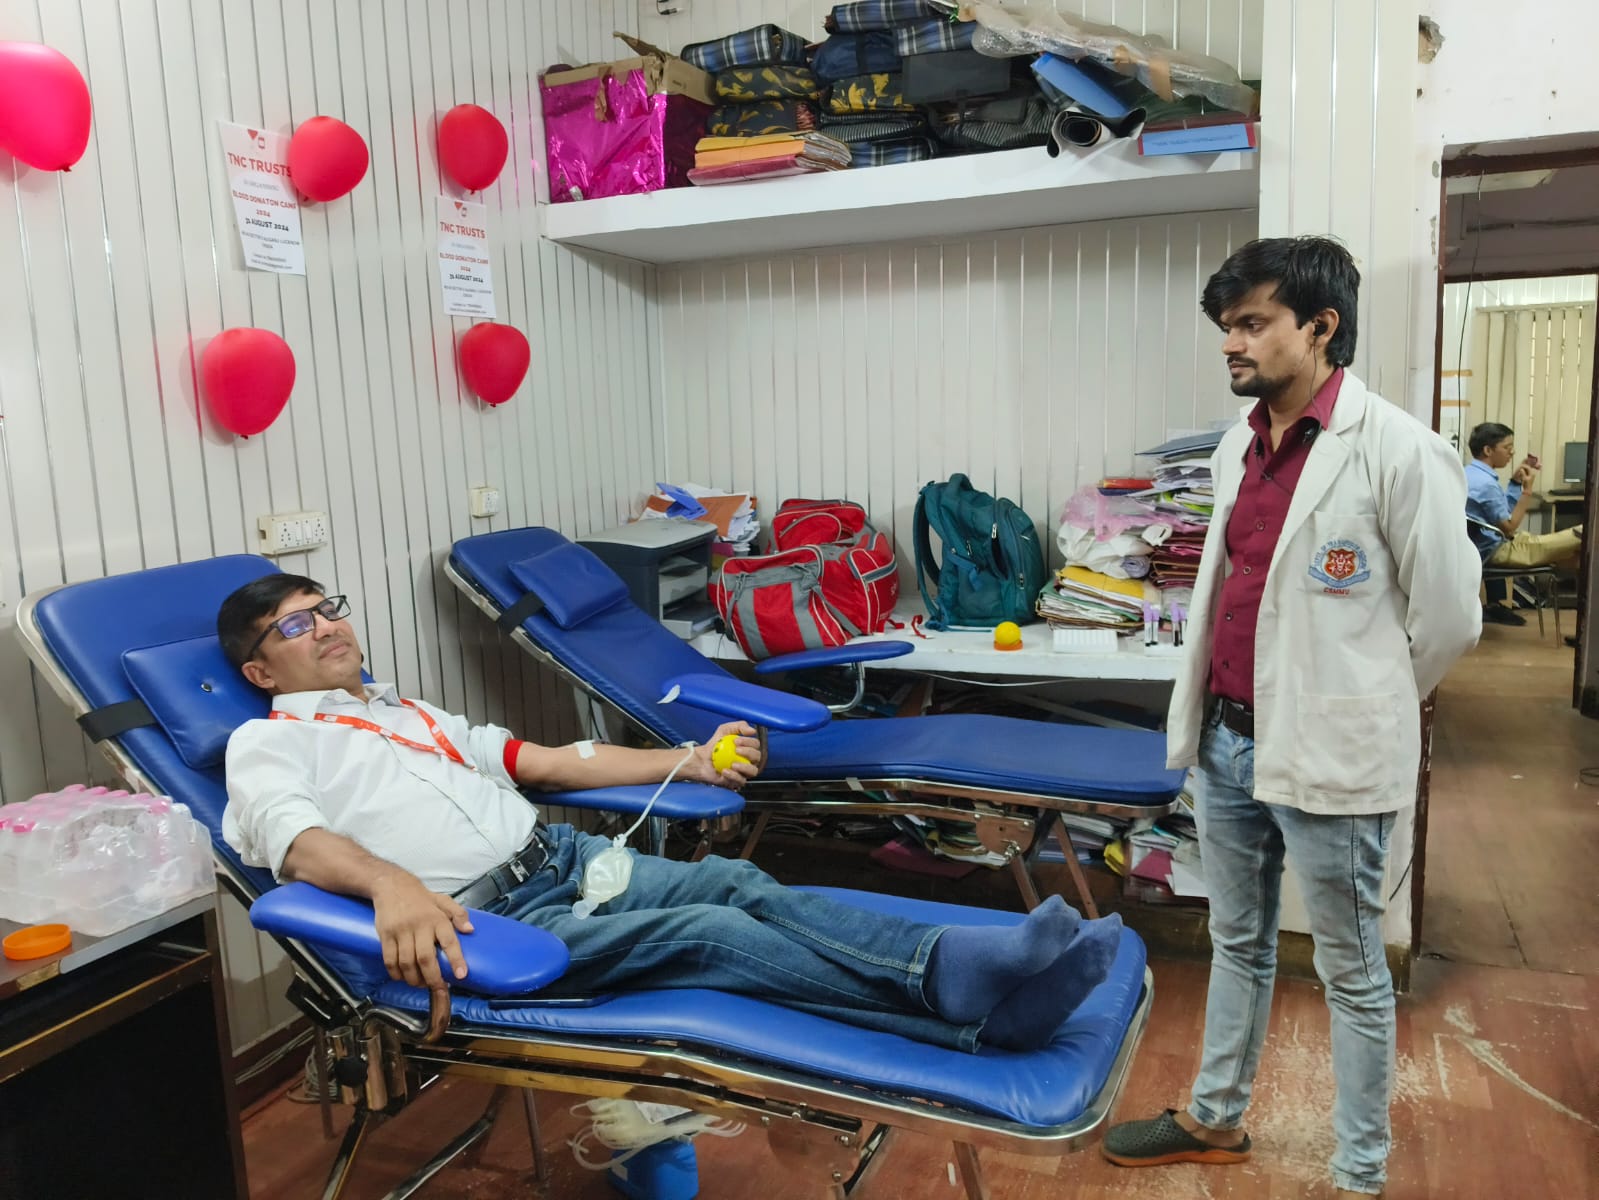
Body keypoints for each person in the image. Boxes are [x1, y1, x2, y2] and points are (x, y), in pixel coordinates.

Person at [218, 573, 1122, 1054]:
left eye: (324, 608)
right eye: (294, 628)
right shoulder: (267, 745)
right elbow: (295, 844)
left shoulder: (405, 713)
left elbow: (546, 762)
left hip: (561, 862)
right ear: (259, 672)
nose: (327, 627)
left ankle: (956, 976)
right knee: (708, 933)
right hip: (484, 920)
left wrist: (682, 758)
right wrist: (391, 887)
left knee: (735, 880)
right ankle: (964, 1002)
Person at [1101, 237, 1481, 1198]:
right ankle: (1214, 1119)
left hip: (1329, 752)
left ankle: (1359, 1172)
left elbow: (1448, 620)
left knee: (1351, 970)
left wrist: (1363, 699)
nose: (1231, 343)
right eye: (1227, 326)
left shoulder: (1398, 448)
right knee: (1238, 941)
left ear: (1320, 326)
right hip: (1229, 743)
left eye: (1252, 323)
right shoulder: (1237, 444)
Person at [1464, 421, 1582, 627]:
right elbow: (1509, 526)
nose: (1512, 453)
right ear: (1488, 450)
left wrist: (1516, 483)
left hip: (1501, 542)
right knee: (1583, 536)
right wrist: (1527, 491)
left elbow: (1503, 514)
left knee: (1578, 552)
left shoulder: (1471, 474)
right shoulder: (1485, 485)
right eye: (1507, 448)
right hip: (1502, 548)